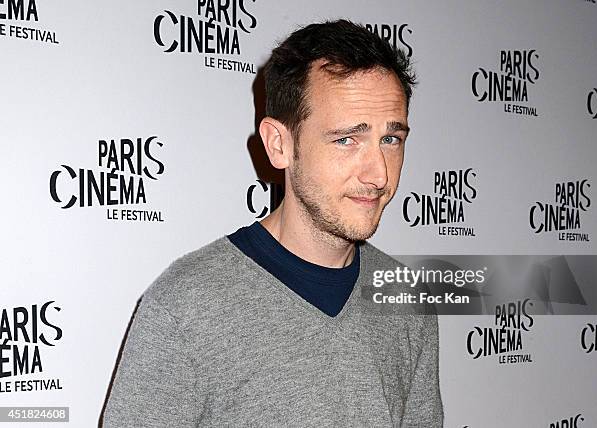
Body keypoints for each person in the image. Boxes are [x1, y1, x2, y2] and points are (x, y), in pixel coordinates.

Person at [102, 19, 443, 427]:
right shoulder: (186, 305)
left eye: (391, 139)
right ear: (279, 144)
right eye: (347, 139)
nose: (379, 175)